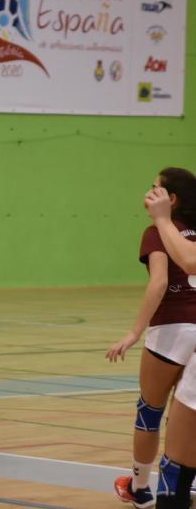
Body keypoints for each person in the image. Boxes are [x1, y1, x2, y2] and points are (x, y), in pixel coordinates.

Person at [107, 168, 196, 508]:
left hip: (171, 331)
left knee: (150, 411)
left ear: (171, 199)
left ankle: (140, 488)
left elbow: (159, 284)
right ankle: (185, 482)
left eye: (155, 188)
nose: (148, 193)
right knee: (187, 415)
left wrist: (134, 332)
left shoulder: (158, 231)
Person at [144, 180, 196, 509]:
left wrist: (162, 219)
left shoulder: (160, 230)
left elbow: (189, 261)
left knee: (175, 466)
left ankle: (140, 488)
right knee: (176, 467)